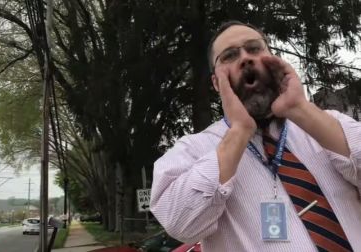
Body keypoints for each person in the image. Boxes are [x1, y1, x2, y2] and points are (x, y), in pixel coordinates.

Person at [150, 20, 361, 251]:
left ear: (274, 61)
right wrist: (239, 131)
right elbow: (180, 224)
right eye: (230, 56)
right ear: (216, 83)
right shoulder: (193, 149)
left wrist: (299, 108)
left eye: (254, 48)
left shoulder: (327, 123)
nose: (245, 58)